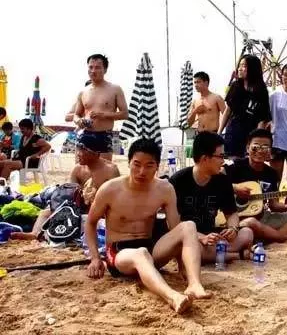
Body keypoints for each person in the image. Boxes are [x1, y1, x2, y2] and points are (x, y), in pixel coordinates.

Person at [86, 139, 210, 314]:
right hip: (118, 253)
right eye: (137, 165)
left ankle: (194, 284)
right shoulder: (110, 189)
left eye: (149, 165)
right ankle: (172, 297)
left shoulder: (165, 189)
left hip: (150, 248)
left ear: (157, 167)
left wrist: (181, 264)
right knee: (140, 253)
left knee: (188, 226)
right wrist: (95, 258)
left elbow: (175, 228)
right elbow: (90, 222)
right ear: (129, 163)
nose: (142, 171)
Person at [10, 132, 120, 240]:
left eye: (83, 150)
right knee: (45, 213)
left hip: (101, 211)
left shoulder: (110, 170)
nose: (78, 154)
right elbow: (71, 194)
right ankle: (34, 233)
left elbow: (115, 199)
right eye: (78, 150)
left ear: (96, 153)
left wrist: (95, 199)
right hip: (81, 208)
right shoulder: (78, 169)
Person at [169, 131, 254, 263]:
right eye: (220, 156)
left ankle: (218, 253)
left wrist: (233, 229)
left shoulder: (222, 181)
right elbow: (173, 225)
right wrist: (201, 237)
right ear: (205, 158)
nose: (223, 161)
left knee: (247, 233)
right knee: (191, 248)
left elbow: (231, 213)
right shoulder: (178, 181)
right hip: (188, 237)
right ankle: (237, 255)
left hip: (212, 237)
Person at [225, 129, 287, 242]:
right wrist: (235, 188)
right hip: (237, 219)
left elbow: (273, 205)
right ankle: (284, 237)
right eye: (255, 147)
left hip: (263, 217)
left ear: (270, 151)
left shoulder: (271, 173)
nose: (260, 151)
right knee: (251, 222)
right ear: (248, 148)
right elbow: (214, 181)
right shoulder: (236, 166)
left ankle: (270, 236)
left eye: (265, 148)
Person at [73, 54, 128, 161]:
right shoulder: (83, 92)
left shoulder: (115, 89)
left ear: (105, 70)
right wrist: (78, 121)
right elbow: (76, 115)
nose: (93, 71)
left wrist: (103, 115)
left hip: (104, 135)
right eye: (90, 67)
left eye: (97, 67)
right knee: (81, 168)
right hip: (85, 134)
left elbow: (125, 114)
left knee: (105, 169)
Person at [219, 55, 271, 159]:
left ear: (252, 68)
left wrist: (257, 140)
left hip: (250, 135)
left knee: (248, 164)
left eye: (244, 66)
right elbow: (228, 111)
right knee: (234, 163)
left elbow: (262, 119)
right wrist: (219, 132)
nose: (239, 69)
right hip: (233, 133)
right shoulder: (235, 86)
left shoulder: (261, 91)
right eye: (240, 65)